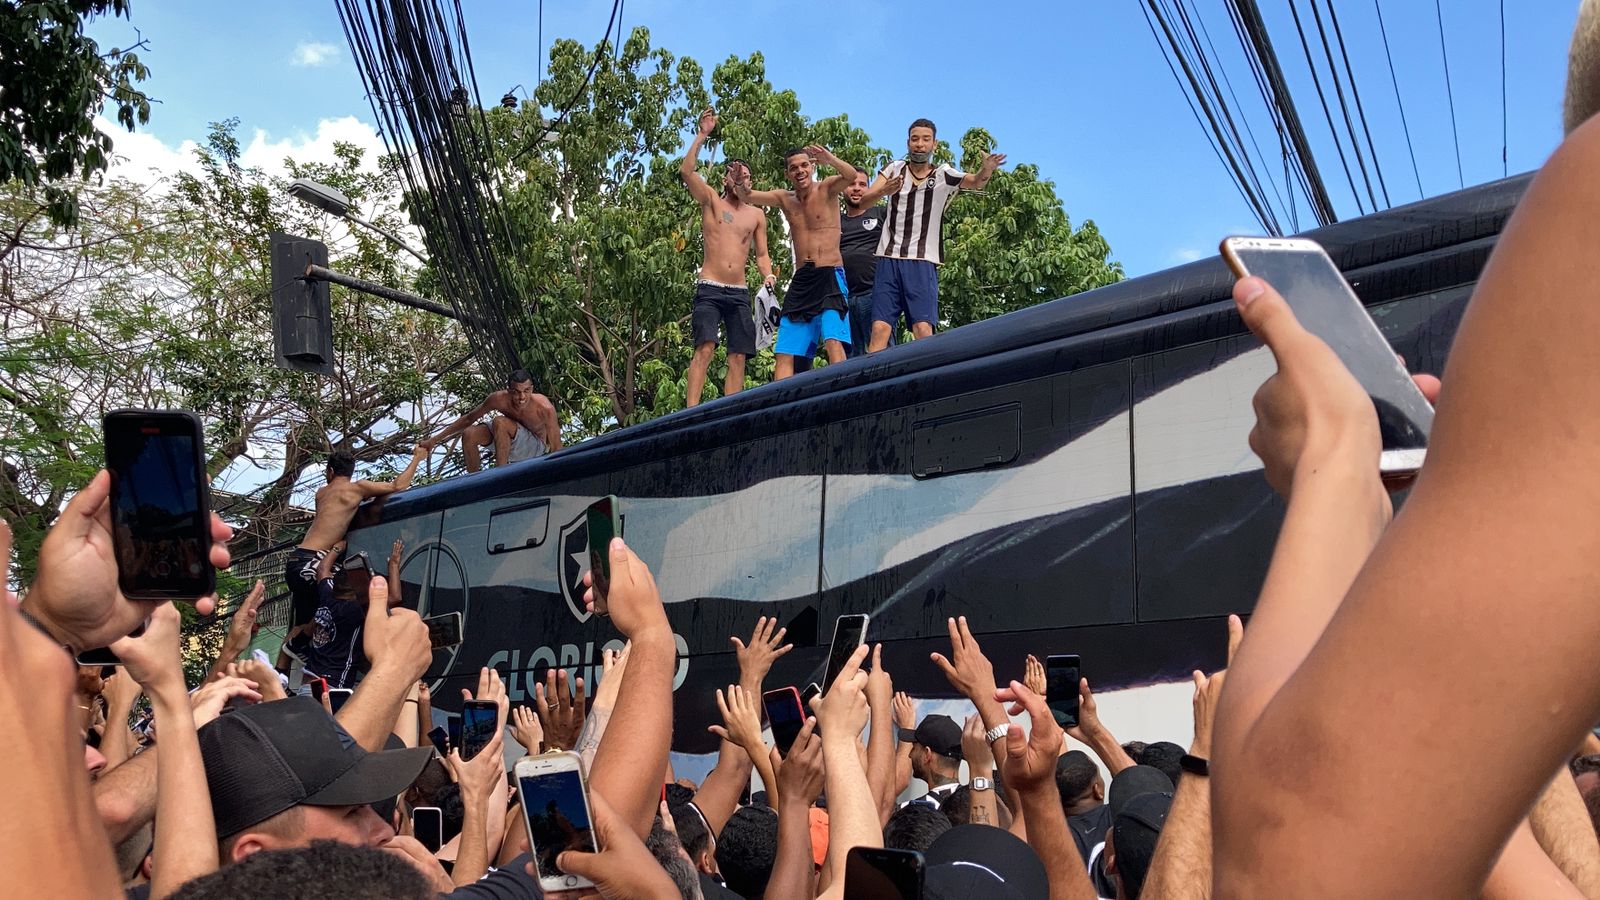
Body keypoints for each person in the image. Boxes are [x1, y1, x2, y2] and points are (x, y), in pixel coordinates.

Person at [866, 118, 1005, 352]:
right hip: (888, 258)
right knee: (880, 328)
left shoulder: (943, 174)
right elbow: (865, 200)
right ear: (908, 143)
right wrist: (884, 190)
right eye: (915, 139)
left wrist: (987, 170)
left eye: (925, 139)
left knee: (922, 328)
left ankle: (926, 378)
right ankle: (869, 385)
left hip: (921, 261)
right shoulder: (893, 169)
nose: (919, 144)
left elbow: (975, 182)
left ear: (934, 145)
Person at [735, 146, 859, 379]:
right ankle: (782, 407)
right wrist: (741, 182)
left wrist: (829, 158)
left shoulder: (827, 188)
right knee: (785, 352)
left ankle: (842, 394)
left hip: (830, 272)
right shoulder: (784, 198)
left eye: (804, 165)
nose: (800, 171)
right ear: (787, 174)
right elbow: (747, 196)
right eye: (794, 168)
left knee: (833, 340)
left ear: (812, 167)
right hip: (802, 278)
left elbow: (851, 176)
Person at [680, 108, 776, 406]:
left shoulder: (757, 214)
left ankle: (729, 410)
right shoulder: (710, 201)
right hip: (710, 286)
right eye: (735, 174)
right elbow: (686, 172)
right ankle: (690, 412)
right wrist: (702, 135)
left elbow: (762, 254)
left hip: (739, 291)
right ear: (725, 180)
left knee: (738, 354)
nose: (741, 179)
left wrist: (768, 275)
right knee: (705, 347)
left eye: (745, 175)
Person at [285, 447, 424, 635]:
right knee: (352, 602)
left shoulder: (321, 493)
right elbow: (398, 486)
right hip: (315, 562)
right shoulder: (356, 489)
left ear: (330, 471)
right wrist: (417, 458)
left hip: (296, 561)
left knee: (307, 622)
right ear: (351, 471)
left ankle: (290, 655)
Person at [419, 369, 562, 473]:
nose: (522, 397)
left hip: (533, 448)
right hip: (505, 441)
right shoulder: (498, 399)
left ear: (532, 389)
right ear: (509, 390)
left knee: (500, 422)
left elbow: (556, 448)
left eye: (526, 391)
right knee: (469, 433)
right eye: (517, 392)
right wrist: (434, 440)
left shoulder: (544, 407)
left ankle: (500, 475)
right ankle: (475, 480)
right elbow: (469, 418)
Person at [839, 169, 897, 357]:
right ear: (842, 189)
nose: (856, 189)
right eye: (851, 184)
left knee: (882, 357)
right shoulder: (835, 221)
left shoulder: (881, 213)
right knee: (849, 362)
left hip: (875, 294)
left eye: (862, 185)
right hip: (842, 300)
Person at [900, 713, 965, 807]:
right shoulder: (977, 802)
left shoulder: (909, 812)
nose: (910, 755)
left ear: (927, 754)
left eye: (914, 748)